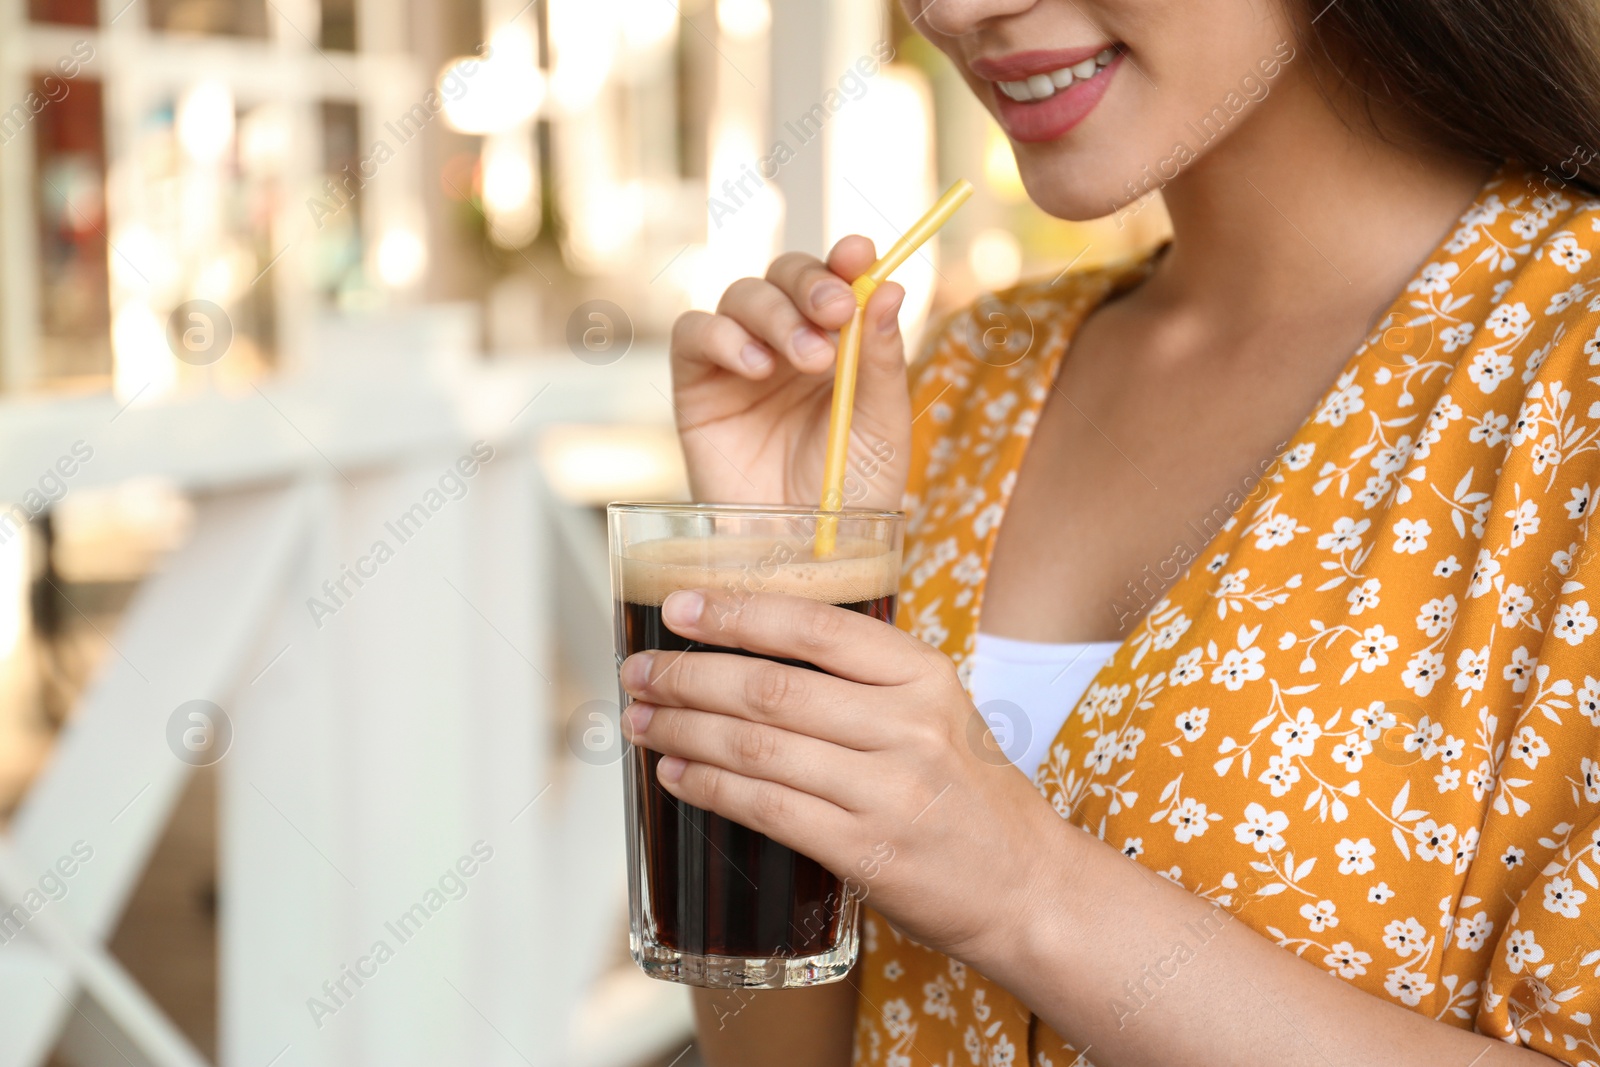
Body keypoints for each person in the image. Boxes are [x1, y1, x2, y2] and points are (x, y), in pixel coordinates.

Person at [622, 0, 1600, 1063]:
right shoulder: (956, 381)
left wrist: (1022, 885)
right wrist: (778, 575)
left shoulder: (1567, 379)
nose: (953, 10)